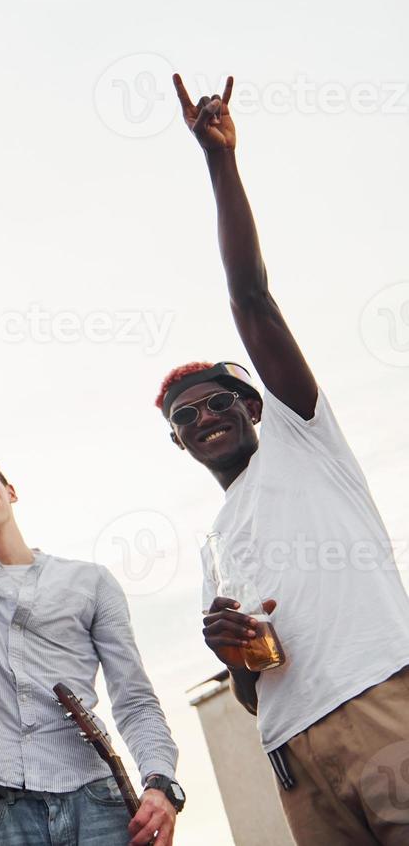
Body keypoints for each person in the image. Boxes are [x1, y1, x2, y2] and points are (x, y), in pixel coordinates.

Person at [165, 75, 409, 845]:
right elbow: (247, 693)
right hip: (292, 754)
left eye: (218, 402)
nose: (205, 417)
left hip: (381, 707)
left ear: (254, 408)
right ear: (179, 442)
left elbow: (252, 298)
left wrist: (218, 164)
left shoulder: (306, 440)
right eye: (186, 417)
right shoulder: (213, 551)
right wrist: (230, 656)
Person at [0, 306, 180, 846]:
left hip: (96, 797)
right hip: (0, 806)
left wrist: (161, 782)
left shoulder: (90, 582)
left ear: (10, 491)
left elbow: (134, 696)